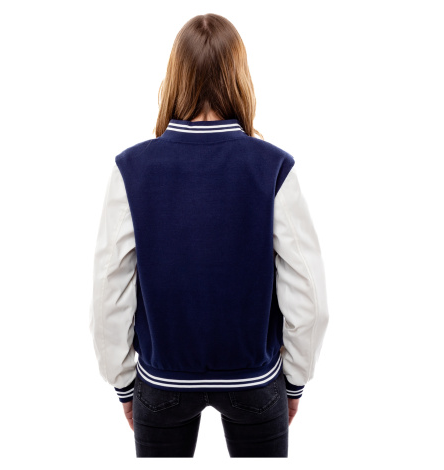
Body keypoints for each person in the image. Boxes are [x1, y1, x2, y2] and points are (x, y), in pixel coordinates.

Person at [89, 13, 329, 458]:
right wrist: (294, 380)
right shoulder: (273, 168)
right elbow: (309, 297)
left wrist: (123, 382)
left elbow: (109, 291)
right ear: (239, 77)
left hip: (162, 382)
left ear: (175, 77)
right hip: (254, 381)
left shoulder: (132, 170)